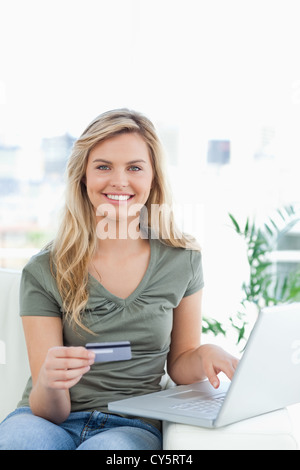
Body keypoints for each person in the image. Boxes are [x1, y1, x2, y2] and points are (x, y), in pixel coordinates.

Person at [0, 109, 238, 450]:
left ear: (153, 177)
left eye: (135, 167)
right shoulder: (44, 270)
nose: (119, 181)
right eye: (103, 166)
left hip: (131, 426)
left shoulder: (182, 260)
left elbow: (180, 362)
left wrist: (203, 356)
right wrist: (50, 383)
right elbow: (49, 409)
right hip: (46, 420)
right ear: (83, 176)